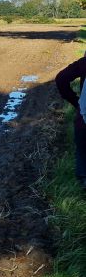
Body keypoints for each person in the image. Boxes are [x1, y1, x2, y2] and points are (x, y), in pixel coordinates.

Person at [56, 54, 86, 189]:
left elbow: (61, 79)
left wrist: (76, 102)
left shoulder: (84, 63)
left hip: (84, 121)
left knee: (82, 151)